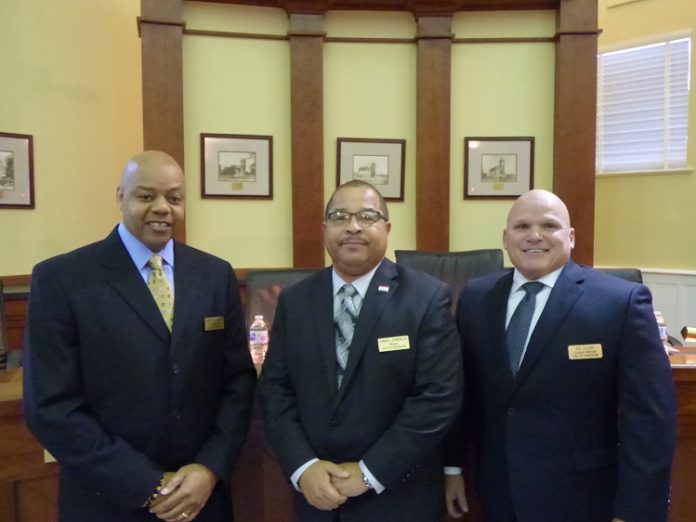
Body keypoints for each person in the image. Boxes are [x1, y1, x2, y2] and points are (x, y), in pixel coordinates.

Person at [23, 151, 256, 522]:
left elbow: (238, 383)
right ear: (120, 197)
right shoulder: (63, 280)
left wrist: (209, 468)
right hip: (108, 500)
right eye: (146, 196)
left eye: (174, 198)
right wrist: (144, 484)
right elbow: (51, 407)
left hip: (201, 499)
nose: (162, 208)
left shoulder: (215, 275)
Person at [444, 189, 677, 522]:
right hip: (498, 493)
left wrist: (635, 511)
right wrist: (452, 467)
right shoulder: (475, 298)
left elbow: (651, 420)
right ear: (506, 239)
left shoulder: (621, 303)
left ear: (570, 237)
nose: (534, 236)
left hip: (584, 498)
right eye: (522, 226)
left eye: (549, 226)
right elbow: (461, 395)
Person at [259, 180, 463, 521]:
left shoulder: (425, 298)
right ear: (325, 230)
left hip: (398, 495)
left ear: (386, 227)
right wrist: (303, 466)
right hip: (317, 495)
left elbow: (437, 397)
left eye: (367, 216)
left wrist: (369, 472)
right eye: (340, 217)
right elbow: (275, 389)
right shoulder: (296, 301)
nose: (353, 226)